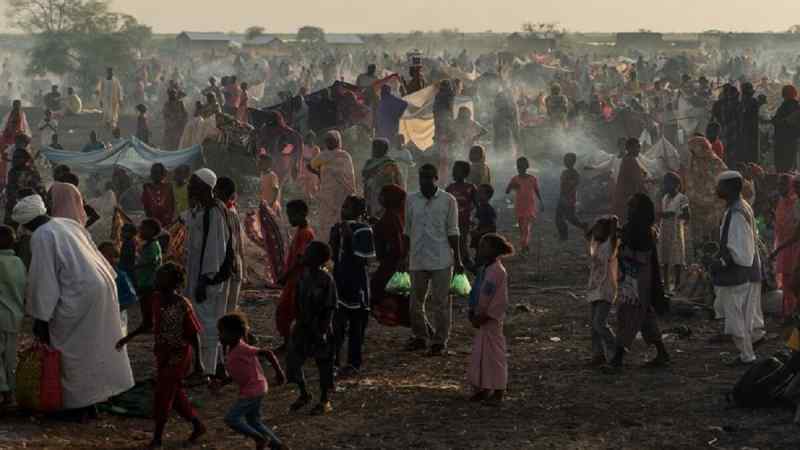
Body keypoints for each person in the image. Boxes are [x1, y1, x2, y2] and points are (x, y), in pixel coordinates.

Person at [15, 194, 134, 414]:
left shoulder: (41, 235)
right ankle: (96, 399)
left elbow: (44, 278)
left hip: (79, 295)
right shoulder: (66, 223)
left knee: (72, 349)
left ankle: (78, 405)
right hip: (102, 285)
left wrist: (41, 318)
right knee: (96, 344)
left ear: (27, 223)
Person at [116, 263, 206, 449]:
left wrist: (199, 363)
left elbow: (194, 334)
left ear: (174, 282)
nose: (156, 280)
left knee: (162, 394)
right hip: (162, 353)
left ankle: (157, 438)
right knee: (174, 393)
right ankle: (197, 425)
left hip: (180, 354)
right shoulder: (155, 299)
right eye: (157, 276)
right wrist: (127, 338)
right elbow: (147, 324)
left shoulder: (182, 304)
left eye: (161, 277)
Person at [605, 193, 670, 372]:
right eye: (629, 207)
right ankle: (662, 353)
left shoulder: (643, 231)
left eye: (633, 207)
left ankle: (617, 358)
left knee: (628, 316)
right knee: (644, 317)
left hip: (639, 282)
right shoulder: (633, 228)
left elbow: (641, 257)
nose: (630, 210)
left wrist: (623, 248)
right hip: (633, 280)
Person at [404, 164, 463, 356]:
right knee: (415, 303)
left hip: (442, 259)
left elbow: (453, 232)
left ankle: (439, 340)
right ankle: (420, 336)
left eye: (429, 177)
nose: (425, 181)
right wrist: (403, 257)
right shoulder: (411, 200)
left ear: (436, 178)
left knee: (441, 303)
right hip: (417, 258)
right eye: (422, 177)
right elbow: (407, 231)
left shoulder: (448, 200)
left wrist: (459, 259)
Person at [713, 171, 766, 365]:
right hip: (746, 271)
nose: (717, 189)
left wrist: (722, 263)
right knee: (744, 315)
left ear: (729, 188)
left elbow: (742, 251)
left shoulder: (736, 212)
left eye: (720, 186)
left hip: (739, 273)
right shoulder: (739, 207)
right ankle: (750, 346)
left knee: (737, 317)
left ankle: (747, 355)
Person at [214, 313, 286, 450]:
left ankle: (259, 438)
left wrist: (280, 373)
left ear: (235, 333)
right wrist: (222, 383)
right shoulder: (232, 349)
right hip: (255, 388)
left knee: (231, 419)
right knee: (254, 421)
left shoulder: (242, 348)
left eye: (222, 332)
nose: (220, 336)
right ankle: (278, 446)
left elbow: (268, 353)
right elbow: (238, 373)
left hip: (253, 390)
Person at [185, 168, 232, 377]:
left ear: (205, 186)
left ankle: (209, 370)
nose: (189, 186)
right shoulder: (201, 210)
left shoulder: (214, 213)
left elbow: (216, 249)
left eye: (193, 183)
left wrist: (205, 280)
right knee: (201, 320)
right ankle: (206, 366)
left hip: (207, 279)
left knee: (207, 322)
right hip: (198, 276)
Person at [285, 241, 338, 416]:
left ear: (318, 259)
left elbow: (330, 307)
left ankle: (324, 400)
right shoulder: (304, 275)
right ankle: (304, 393)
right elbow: (297, 301)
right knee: (294, 360)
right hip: (303, 324)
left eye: (308, 253)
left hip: (320, 326)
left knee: (323, 364)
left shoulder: (326, 279)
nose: (304, 256)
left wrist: (323, 331)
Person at [330, 196, 375, 377]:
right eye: (343, 206)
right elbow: (334, 257)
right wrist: (335, 239)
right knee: (337, 325)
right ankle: (333, 361)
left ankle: (353, 362)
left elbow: (363, 259)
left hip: (357, 285)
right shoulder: (338, 228)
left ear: (359, 212)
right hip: (340, 282)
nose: (343, 210)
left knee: (357, 326)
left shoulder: (364, 230)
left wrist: (348, 239)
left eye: (348, 207)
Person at [467, 233, 512, 405]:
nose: (481, 249)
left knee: (495, 356)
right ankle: (484, 388)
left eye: (484, 246)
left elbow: (499, 300)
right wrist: (473, 311)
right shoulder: (485, 269)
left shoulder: (498, 271)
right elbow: (478, 292)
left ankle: (499, 391)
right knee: (481, 355)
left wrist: (484, 315)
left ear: (494, 250)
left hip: (491, 320)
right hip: (482, 318)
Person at [276, 200, 315, 347]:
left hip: (297, 279)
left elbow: (300, 259)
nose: (290, 219)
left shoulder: (304, 233)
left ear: (302, 214)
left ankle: (290, 343)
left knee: (288, 311)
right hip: (295, 278)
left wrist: (285, 276)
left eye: (292, 215)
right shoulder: (303, 231)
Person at [245, 153, 285, 287]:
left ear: (267, 164)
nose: (258, 164)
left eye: (260, 162)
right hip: (266, 209)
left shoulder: (272, 175)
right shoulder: (263, 175)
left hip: (271, 210)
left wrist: (270, 208)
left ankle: (273, 270)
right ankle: (270, 267)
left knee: (271, 238)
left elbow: (275, 191)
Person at [309, 130, 356, 243]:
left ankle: (330, 243)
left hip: (333, 194)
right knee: (334, 219)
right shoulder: (345, 156)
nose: (329, 143)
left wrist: (320, 173)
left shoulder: (325, 156)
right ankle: (332, 244)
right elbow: (350, 177)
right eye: (328, 141)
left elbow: (311, 166)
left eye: (331, 141)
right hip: (336, 194)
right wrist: (320, 174)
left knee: (329, 220)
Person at [585, 216, 619, 366]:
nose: (595, 232)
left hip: (606, 288)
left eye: (599, 229)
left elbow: (614, 237)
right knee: (593, 326)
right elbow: (588, 234)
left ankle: (616, 350)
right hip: (594, 288)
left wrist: (613, 223)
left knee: (599, 323)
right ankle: (598, 355)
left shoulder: (610, 245)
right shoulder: (596, 244)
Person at [371, 185, 407, 321]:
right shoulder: (394, 215)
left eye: (382, 195)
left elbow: (396, 244)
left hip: (390, 262)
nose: (379, 198)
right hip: (391, 261)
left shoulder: (391, 217)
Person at [686, 136, 728, 248]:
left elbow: (723, 182)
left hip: (713, 206)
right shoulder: (693, 162)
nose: (693, 154)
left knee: (713, 235)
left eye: (694, 150)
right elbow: (690, 183)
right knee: (697, 239)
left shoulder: (716, 163)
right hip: (696, 206)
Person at [0, 225, 25, 405]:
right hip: (15, 317)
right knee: (10, 357)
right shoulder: (19, 263)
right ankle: (10, 393)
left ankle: (3, 390)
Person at [214, 177, 246, 313]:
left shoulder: (225, 213)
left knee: (224, 311)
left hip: (227, 267)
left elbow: (233, 245)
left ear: (219, 192)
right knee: (228, 309)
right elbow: (239, 244)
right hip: (233, 266)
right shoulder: (229, 211)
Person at [771, 174, 800, 318]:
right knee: (786, 280)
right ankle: (788, 312)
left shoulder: (796, 203)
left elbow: (796, 232)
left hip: (794, 247)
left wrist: (777, 250)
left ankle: (792, 314)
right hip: (784, 246)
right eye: (778, 185)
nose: (780, 188)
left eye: (784, 185)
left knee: (794, 281)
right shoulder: (781, 201)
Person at [97, 242, 137, 335]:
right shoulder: (96, 274)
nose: (109, 259)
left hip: (117, 317)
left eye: (113, 256)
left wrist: (115, 309)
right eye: (106, 255)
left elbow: (131, 298)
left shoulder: (121, 276)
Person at [658, 172, 689, 291]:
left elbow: (687, 216)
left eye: (668, 183)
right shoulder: (665, 198)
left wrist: (675, 215)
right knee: (665, 256)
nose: (666, 186)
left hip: (676, 230)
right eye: (665, 184)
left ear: (677, 184)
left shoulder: (682, 198)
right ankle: (665, 284)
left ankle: (677, 284)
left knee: (677, 258)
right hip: (665, 229)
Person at [5, 137, 44, 226]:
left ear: (26, 159)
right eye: (14, 157)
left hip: (27, 208)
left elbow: (39, 190)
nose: (15, 160)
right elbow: (10, 188)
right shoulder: (12, 172)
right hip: (13, 207)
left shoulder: (31, 173)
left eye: (18, 157)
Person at [506, 157, 543, 254]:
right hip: (519, 206)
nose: (520, 168)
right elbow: (507, 191)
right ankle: (525, 244)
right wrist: (513, 186)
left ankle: (523, 245)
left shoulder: (532, 178)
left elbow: (536, 190)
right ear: (517, 167)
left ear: (527, 167)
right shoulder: (515, 179)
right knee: (522, 227)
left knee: (526, 226)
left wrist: (541, 201)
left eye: (522, 166)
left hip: (529, 205)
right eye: (519, 166)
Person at [258, 111, 303, 183]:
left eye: (274, 127)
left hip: (284, 168)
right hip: (270, 167)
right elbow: (261, 149)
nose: (272, 130)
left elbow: (297, 159)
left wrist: (295, 169)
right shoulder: (265, 130)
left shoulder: (293, 136)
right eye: (270, 127)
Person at [362, 138, 403, 218]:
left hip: (383, 199)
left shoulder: (389, 164)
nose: (374, 150)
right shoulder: (369, 162)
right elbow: (364, 176)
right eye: (374, 148)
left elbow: (393, 183)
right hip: (370, 197)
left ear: (383, 149)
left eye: (376, 148)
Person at [447, 161, 478, 267]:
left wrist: (475, 218)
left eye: (457, 171)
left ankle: (465, 261)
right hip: (451, 221)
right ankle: (460, 261)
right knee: (453, 242)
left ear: (465, 173)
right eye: (454, 170)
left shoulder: (470, 187)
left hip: (465, 221)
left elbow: (477, 204)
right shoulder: (450, 188)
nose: (454, 173)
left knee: (462, 241)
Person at [612, 139, 648, 222]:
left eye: (639, 147)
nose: (639, 149)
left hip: (625, 197)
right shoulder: (630, 160)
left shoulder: (627, 159)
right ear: (630, 148)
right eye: (637, 147)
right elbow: (638, 180)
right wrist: (651, 181)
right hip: (626, 198)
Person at [556, 152, 586, 241]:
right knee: (559, 218)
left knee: (570, 218)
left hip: (569, 199)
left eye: (567, 160)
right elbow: (563, 186)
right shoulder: (565, 172)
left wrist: (566, 197)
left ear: (572, 162)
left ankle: (583, 226)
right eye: (565, 160)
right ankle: (563, 236)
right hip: (563, 198)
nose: (565, 162)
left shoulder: (575, 174)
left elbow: (572, 186)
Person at [771, 85, 800, 172]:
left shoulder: (789, 106)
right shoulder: (794, 106)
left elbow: (786, 121)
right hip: (790, 139)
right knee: (788, 165)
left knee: (783, 165)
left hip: (785, 139)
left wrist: (777, 121)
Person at [142, 163, 176, 228]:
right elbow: (145, 205)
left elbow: (172, 205)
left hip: (166, 222)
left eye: (157, 172)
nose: (155, 175)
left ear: (163, 174)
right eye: (153, 172)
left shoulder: (168, 187)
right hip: (152, 223)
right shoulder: (147, 187)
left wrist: (169, 219)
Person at [471, 184, 498, 262]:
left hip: (486, 242)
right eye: (478, 192)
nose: (477, 194)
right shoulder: (480, 208)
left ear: (487, 195)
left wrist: (478, 232)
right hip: (481, 241)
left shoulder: (488, 209)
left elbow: (492, 227)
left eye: (480, 192)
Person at [298, 131, 321, 200]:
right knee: (305, 188)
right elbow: (301, 158)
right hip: (304, 170)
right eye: (309, 138)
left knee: (313, 187)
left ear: (314, 139)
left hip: (313, 170)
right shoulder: (303, 147)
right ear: (307, 139)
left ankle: (314, 201)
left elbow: (318, 160)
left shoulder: (316, 148)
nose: (310, 140)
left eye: (312, 138)